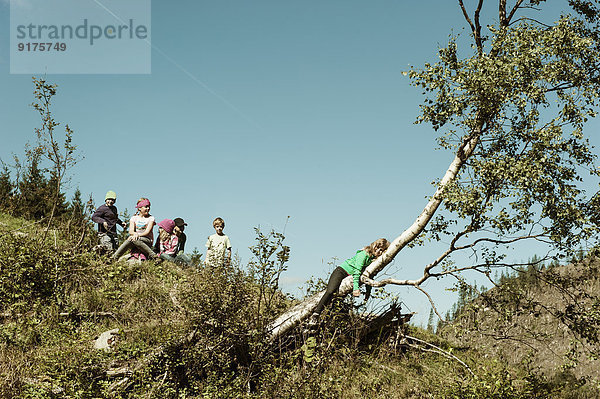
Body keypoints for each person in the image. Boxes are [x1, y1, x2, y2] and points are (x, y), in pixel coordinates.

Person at [312, 238, 390, 318]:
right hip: (342, 271)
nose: (378, 251)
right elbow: (357, 271)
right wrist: (356, 288)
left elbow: (369, 276)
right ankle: (316, 313)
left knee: (339, 299)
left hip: (349, 277)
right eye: (377, 248)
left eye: (381, 250)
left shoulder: (373, 262)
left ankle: (327, 319)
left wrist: (368, 292)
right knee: (331, 291)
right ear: (374, 246)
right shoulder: (363, 254)